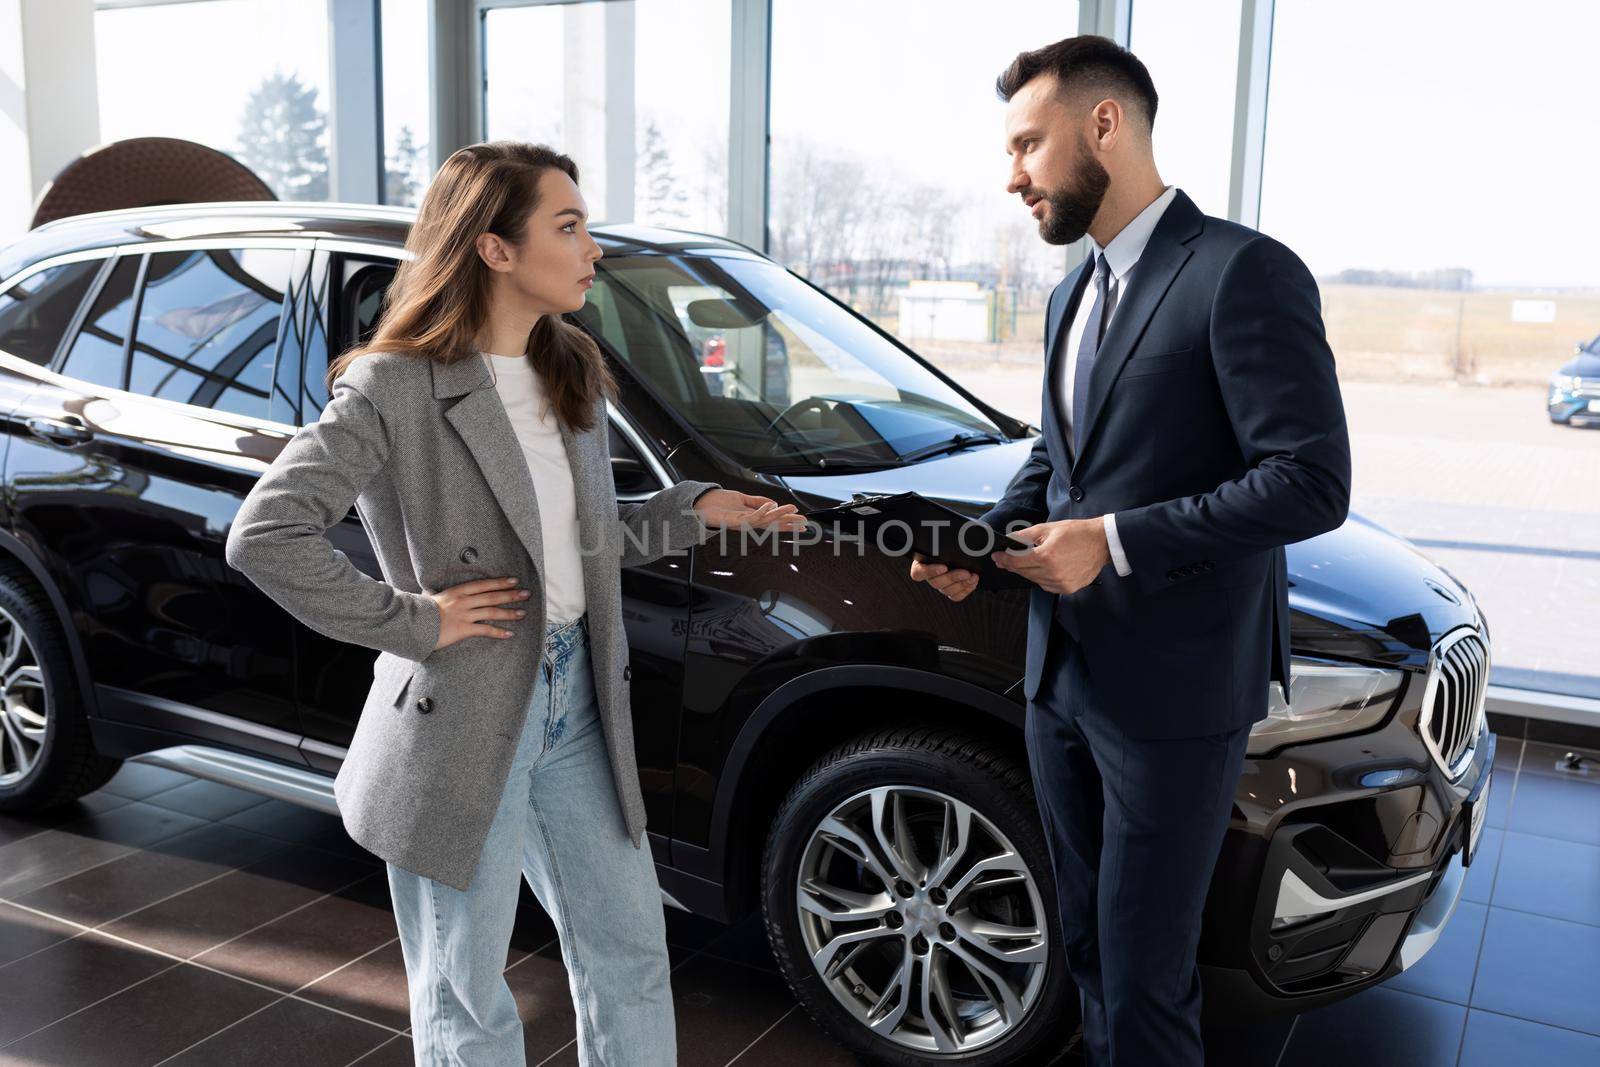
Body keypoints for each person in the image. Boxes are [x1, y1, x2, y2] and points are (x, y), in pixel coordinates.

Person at [225, 141, 805, 1066]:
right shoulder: (393, 385)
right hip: (462, 712)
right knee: (466, 993)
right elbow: (264, 534)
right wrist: (419, 622)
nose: (591, 248)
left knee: (631, 952)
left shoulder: (565, 363)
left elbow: (575, 543)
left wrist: (689, 510)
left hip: (576, 704)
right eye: (566, 226)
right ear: (494, 248)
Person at [908, 36, 1351, 1066]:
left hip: (1173, 692)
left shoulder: (1243, 271)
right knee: (1091, 951)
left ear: (1103, 124)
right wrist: (982, 544)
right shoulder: (1073, 294)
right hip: (1058, 673)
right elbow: (1060, 462)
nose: (1010, 174)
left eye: (1027, 143)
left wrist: (1109, 543)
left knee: (1149, 973)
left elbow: (1309, 481)